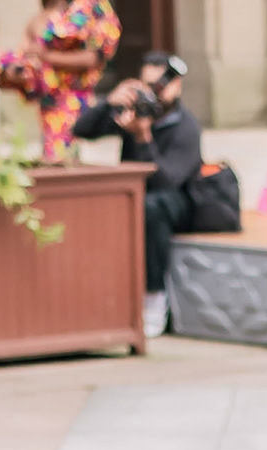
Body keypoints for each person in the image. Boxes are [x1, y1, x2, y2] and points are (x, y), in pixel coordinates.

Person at [74, 50, 204, 336]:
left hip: (178, 202)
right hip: (137, 197)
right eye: (147, 86)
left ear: (176, 85)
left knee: (151, 206)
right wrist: (109, 102)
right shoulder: (133, 114)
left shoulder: (185, 127)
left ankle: (154, 298)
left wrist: (143, 138)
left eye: (159, 86)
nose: (153, 94)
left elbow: (167, 181)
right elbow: (81, 129)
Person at [0, 0, 121, 159]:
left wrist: (46, 56)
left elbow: (91, 59)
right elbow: (27, 62)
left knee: (65, 156)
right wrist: (12, 73)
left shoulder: (82, 12)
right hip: (49, 103)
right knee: (53, 157)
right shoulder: (36, 21)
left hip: (76, 101)